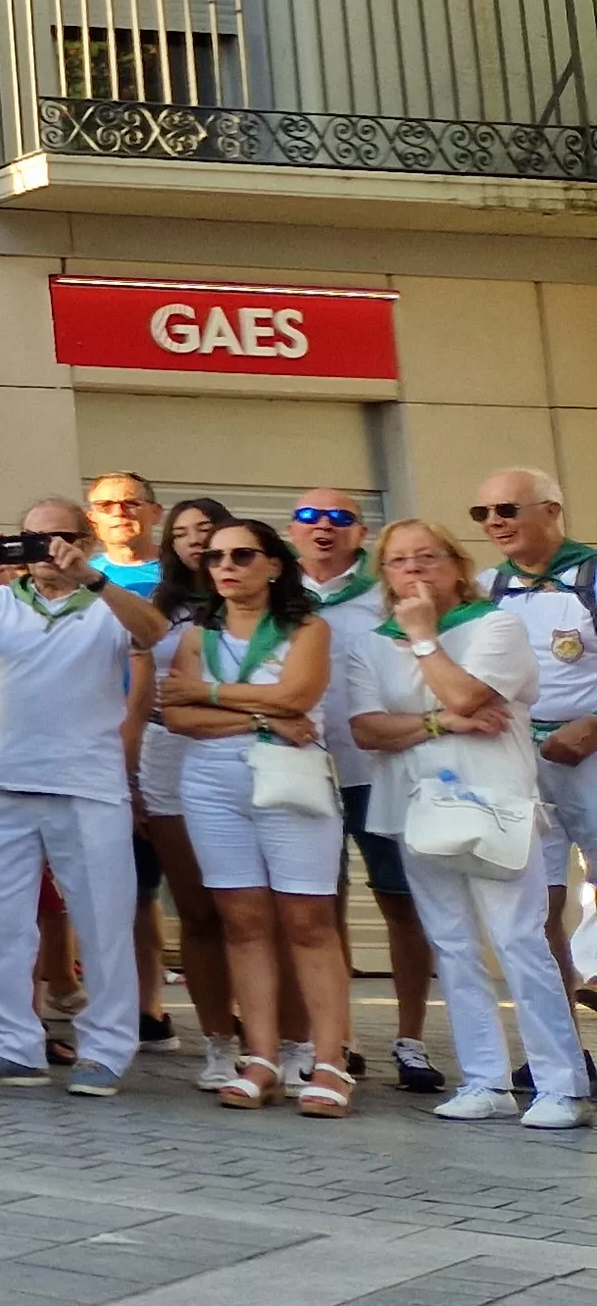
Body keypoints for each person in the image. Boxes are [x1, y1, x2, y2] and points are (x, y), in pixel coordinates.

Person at [347, 517, 584, 1128]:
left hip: (495, 805)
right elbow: (367, 729)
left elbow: (467, 696)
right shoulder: (371, 642)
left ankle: (559, 1083)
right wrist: (437, 725)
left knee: (519, 940)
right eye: (399, 561)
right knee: (451, 944)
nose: (414, 569)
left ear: (457, 566)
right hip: (416, 808)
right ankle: (485, 1078)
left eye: (428, 556)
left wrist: (425, 641)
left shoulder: (494, 626)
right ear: (386, 575)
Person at [0, 500, 165, 1093]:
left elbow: (153, 633)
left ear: (86, 542)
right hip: (4, 782)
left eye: (60, 538)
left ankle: (105, 1052)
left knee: (103, 922)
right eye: (33, 538)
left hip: (89, 784)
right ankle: (15, 1046)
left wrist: (92, 579)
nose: (47, 550)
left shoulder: (107, 604)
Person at [150, 518, 346, 1114]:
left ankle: (331, 1062)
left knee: (308, 919)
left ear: (274, 565)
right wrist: (260, 717)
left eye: (241, 554)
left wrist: (207, 694)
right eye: (214, 558)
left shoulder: (307, 627)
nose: (225, 566)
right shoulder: (195, 633)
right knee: (242, 920)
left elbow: (297, 697)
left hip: (290, 780)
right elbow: (175, 717)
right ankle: (259, 1057)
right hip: (211, 782)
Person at [296, 488, 437, 1093]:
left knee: (401, 901)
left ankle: (412, 1038)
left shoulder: (386, 595)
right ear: (291, 532)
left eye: (339, 518)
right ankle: (339, 1038)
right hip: (301, 771)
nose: (323, 528)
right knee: (318, 909)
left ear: (362, 533)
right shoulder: (278, 597)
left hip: (379, 768)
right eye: (309, 517)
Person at [483, 470, 597, 1009]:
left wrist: (595, 726)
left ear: (551, 510)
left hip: (592, 754)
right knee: (538, 903)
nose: (494, 522)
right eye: (482, 514)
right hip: (520, 764)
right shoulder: (488, 588)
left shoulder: (593, 574)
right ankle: (566, 1053)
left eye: (507, 509)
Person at [140, 498, 239, 1075]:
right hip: (167, 754)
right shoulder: (161, 606)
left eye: (207, 529)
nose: (196, 541)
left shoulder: (268, 604)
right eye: (182, 533)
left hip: (243, 752)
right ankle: (219, 1043)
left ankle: (284, 1041)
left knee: (253, 911)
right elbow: (143, 685)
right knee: (198, 911)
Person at [87, 474, 167, 593]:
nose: (119, 512)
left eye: (131, 503)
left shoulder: (184, 570)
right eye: (105, 506)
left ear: (155, 513)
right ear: (92, 520)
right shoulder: (83, 577)